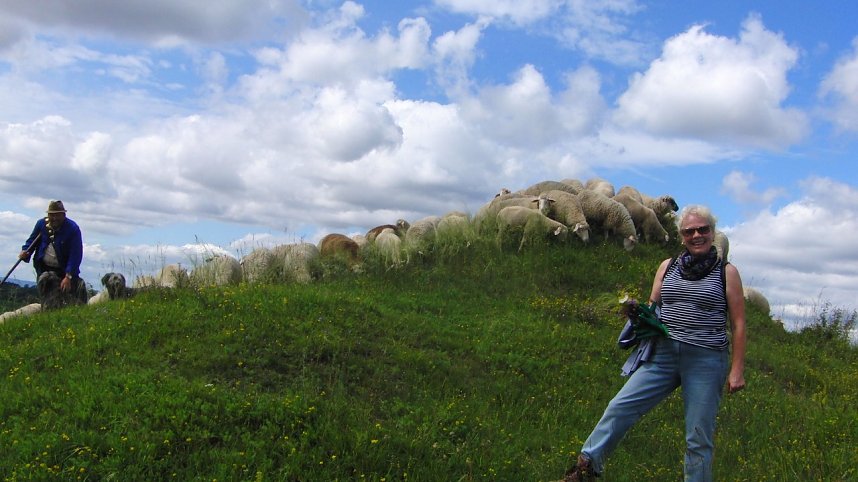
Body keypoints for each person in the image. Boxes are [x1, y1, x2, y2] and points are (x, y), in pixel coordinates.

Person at [558, 204, 747, 482]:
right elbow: (653, 304)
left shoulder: (726, 273)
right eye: (689, 231)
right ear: (681, 235)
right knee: (620, 407)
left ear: (712, 232)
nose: (696, 235)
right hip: (663, 355)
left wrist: (736, 369)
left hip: (706, 360)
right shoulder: (667, 266)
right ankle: (585, 470)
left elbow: (739, 324)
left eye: (703, 230)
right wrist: (636, 312)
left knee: (698, 436)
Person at [19, 200, 87, 302]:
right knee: (46, 299)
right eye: (51, 215)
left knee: (68, 299)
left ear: (63, 215)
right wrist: (25, 252)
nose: (54, 218)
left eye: (57, 215)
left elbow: (75, 255)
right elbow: (31, 241)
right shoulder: (41, 224)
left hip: (64, 271)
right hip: (44, 269)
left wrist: (68, 276)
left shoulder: (72, 229)